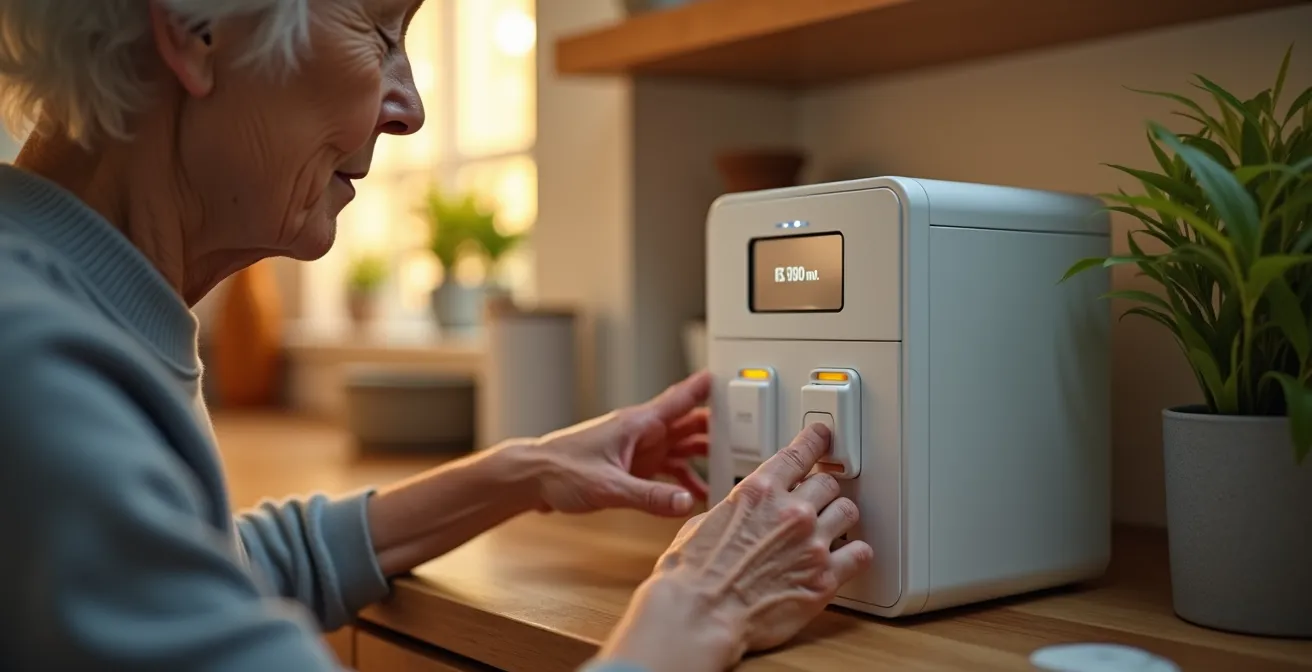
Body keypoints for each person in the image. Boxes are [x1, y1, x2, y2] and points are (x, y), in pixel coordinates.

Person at [0, 1, 874, 671]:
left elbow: (208, 574)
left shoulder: (68, 302)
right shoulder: (33, 366)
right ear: (193, 27)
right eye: (380, 30)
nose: (410, 107)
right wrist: (699, 609)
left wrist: (525, 471)